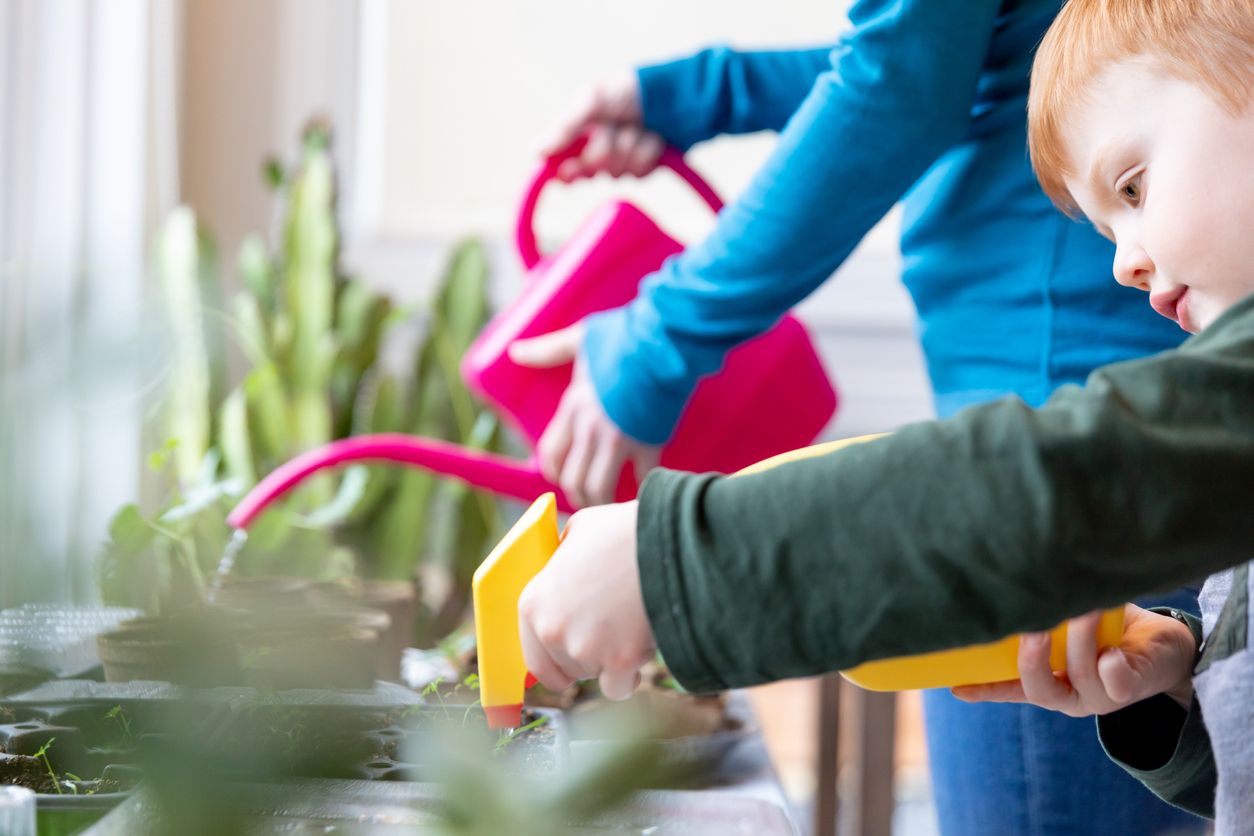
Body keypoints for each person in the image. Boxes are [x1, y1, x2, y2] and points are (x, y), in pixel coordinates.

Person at [514, 0, 1254, 830]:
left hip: (1046, 461)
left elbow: (903, 75)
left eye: (1133, 186)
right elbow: (951, 57)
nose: (1122, 263)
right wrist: (1188, 681)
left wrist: (676, 564)